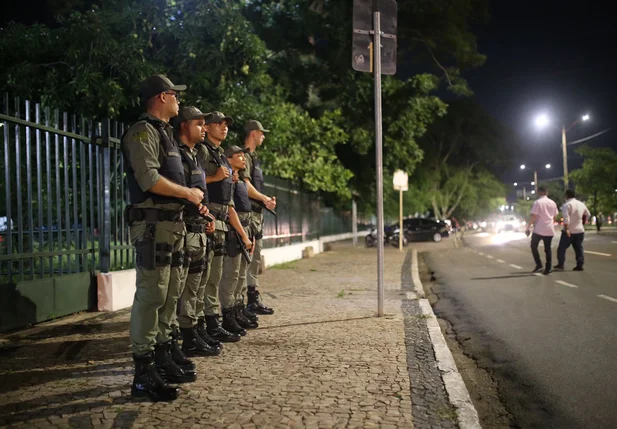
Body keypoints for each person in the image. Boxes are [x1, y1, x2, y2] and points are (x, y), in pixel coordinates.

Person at [122, 75, 208, 401]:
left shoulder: (166, 135)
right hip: (153, 227)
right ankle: (142, 373)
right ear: (161, 97)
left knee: (170, 295)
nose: (179, 101)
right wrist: (188, 193)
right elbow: (149, 180)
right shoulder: (142, 132)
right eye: (175, 95)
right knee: (152, 295)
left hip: (172, 226)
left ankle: (161, 357)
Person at [172, 106, 221, 359]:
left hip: (199, 227)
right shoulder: (177, 155)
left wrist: (207, 216)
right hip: (185, 228)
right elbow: (181, 192)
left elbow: (200, 194)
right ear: (185, 126)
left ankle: (194, 331)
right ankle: (185, 336)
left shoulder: (193, 155)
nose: (204, 128)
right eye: (199, 124)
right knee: (183, 288)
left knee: (197, 285)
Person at [201, 111, 253, 340]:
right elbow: (187, 181)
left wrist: (243, 235)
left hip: (222, 221)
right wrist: (214, 178)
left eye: (226, 125)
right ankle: (201, 324)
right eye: (218, 124)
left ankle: (213, 321)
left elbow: (228, 203)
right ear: (207, 127)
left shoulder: (221, 156)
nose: (224, 128)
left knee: (215, 276)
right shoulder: (202, 151)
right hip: (207, 219)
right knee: (202, 279)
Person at [219, 145, 260, 331]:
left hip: (245, 227)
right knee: (231, 275)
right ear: (228, 159)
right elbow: (230, 209)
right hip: (234, 232)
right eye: (239, 155)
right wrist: (243, 235)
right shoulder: (227, 181)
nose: (243, 158)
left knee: (241, 274)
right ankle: (228, 313)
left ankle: (237, 308)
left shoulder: (239, 180)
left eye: (244, 155)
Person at [241, 120, 277, 315]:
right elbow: (245, 185)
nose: (264, 136)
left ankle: (252, 298)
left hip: (257, 213)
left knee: (255, 258)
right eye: (262, 133)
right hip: (247, 214)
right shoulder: (244, 157)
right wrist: (264, 198)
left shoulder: (254, 158)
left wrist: (265, 201)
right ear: (253, 133)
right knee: (246, 259)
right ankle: (240, 303)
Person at [525, 186, 558, 275]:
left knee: (533, 246)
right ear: (546, 192)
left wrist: (528, 227)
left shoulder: (537, 203)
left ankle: (539, 264)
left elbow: (534, 216)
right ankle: (548, 268)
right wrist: (551, 224)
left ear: (539, 192)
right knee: (548, 249)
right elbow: (555, 217)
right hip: (549, 229)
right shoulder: (553, 203)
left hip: (539, 229)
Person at [554, 189, 590, 271]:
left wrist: (566, 229)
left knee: (562, 248)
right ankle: (580, 265)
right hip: (580, 230)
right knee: (578, 248)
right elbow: (588, 214)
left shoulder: (567, 205)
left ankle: (561, 264)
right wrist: (582, 222)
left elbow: (566, 219)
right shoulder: (581, 204)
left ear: (566, 196)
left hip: (569, 231)